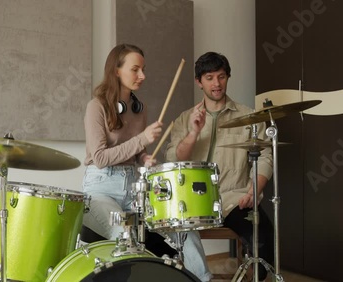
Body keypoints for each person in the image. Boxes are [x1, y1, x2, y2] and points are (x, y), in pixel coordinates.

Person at [82, 43, 211, 282]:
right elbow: (100, 158)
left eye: (143, 69)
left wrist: (144, 158)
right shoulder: (96, 107)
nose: (142, 75)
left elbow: (137, 152)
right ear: (116, 71)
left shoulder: (139, 109)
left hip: (134, 187)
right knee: (125, 235)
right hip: (100, 189)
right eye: (135, 69)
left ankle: (202, 280)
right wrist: (142, 139)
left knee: (183, 225)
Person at [165, 51, 274, 281]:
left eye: (221, 76)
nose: (216, 84)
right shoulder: (185, 119)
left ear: (227, 77)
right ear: (199, 82)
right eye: (210, 77)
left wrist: (254, 191)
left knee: (263, 237)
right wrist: (194, 132)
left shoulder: (249, 117)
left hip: (236, 198)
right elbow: (173, 158)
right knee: (163, 238)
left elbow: (264, 156)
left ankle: (255, 275)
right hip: (194, 202)